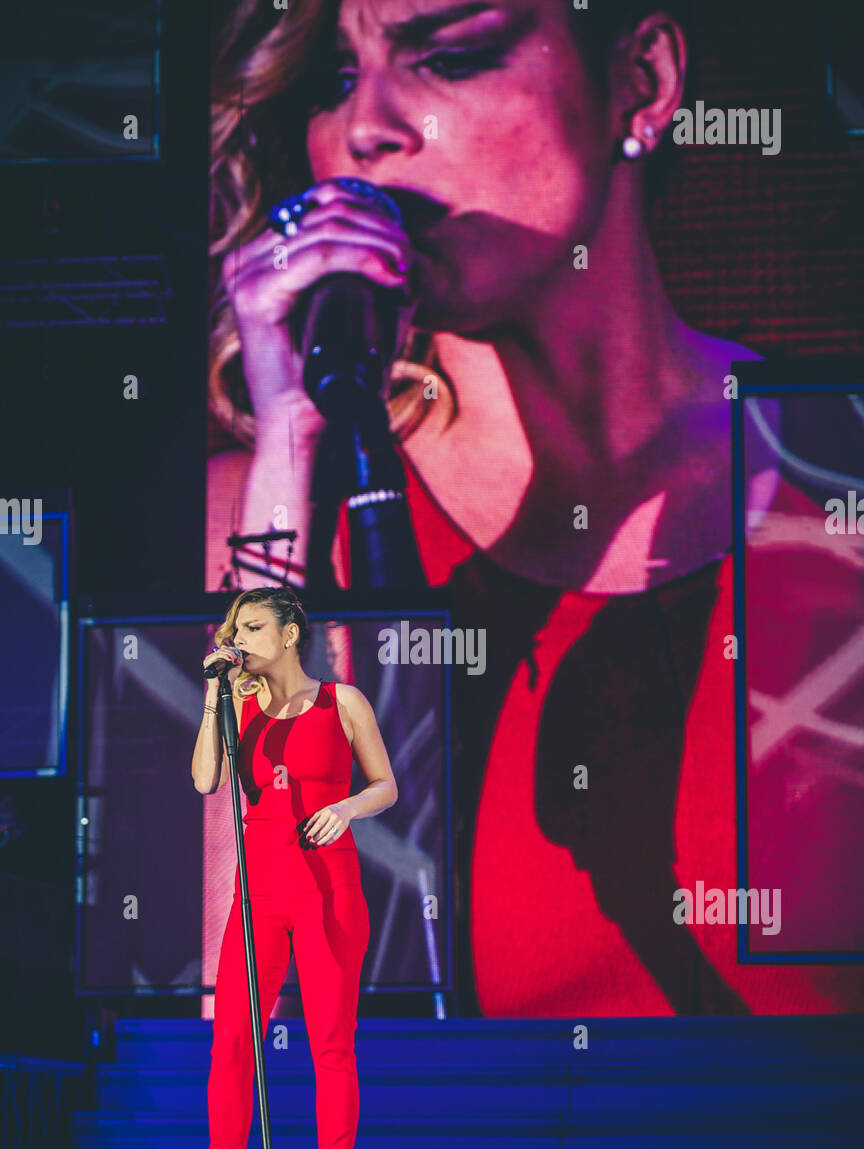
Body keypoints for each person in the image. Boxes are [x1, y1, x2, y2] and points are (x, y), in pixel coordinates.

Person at [205, 0, 864, 1017]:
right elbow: (229, 1015)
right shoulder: (265, 517)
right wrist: (293, 448)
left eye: (452, 55)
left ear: (641, 82)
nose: (365, 128)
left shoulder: (839, 472)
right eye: (337, 79)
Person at [176, 586, 397, 1149]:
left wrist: (349, 808)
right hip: (258, 895)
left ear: (291, 632)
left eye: (252, 627)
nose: (238, 639)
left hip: (327, 884)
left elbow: (386, 783)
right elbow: (204, 780)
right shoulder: (238, 703)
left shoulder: (342, 702)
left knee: (331, 1040)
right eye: (233, 629)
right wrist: (215, 695)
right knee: (233, 1040)